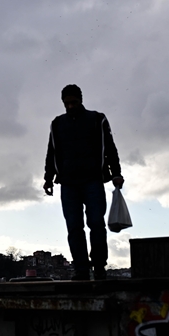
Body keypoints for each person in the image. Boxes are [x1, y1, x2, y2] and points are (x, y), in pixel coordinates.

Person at [44, 84, 124, 281]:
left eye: (73, 102)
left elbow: (110, 148)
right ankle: (81, 270)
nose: (70, 106)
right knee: (74, 226)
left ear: (81, 100)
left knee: (96, 223)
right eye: (66, 103)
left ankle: (99, 268)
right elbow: (51, 152)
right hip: (68, 183)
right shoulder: (57, 124)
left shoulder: (98, 119)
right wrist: (48, 178)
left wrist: (116, 173)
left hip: (93, 181)